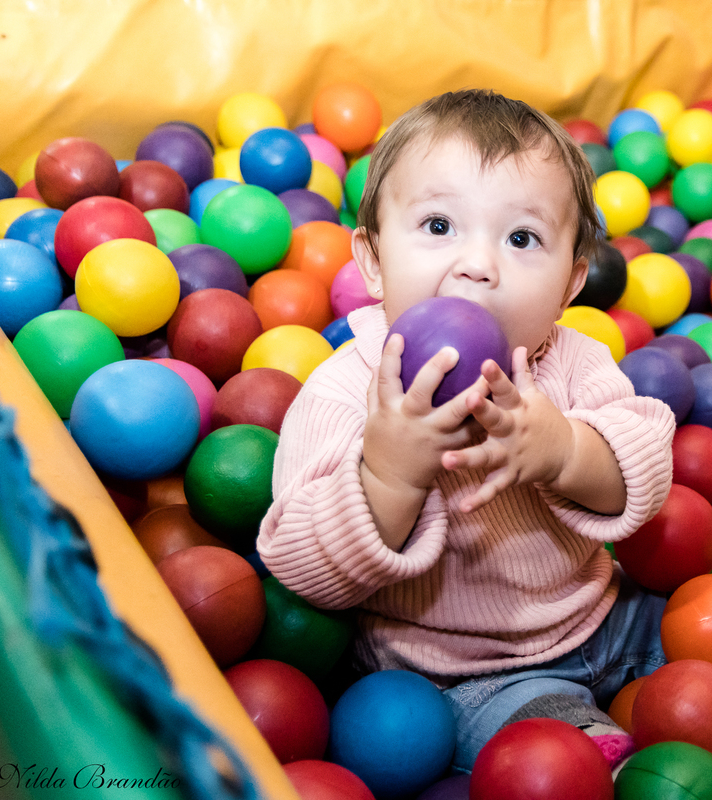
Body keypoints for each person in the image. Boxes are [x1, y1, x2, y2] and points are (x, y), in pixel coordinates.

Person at [257, 89, 676, 772]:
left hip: (609, 612)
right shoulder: (342, 392)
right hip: (466, 672)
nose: (479, 264)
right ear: (371, 260)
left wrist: (564, 449)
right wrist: (388, 474)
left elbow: (647, 464)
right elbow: (303, 567)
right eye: (439, 226)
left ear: (572, 283)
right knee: (561, 760)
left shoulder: (571, 360)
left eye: (520, 238)